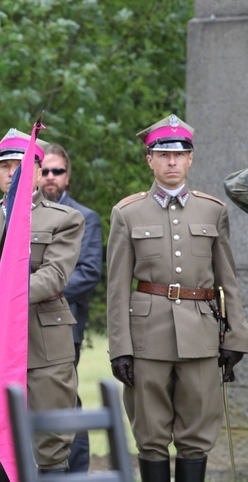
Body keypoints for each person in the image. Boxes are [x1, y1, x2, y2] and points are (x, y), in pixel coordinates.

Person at [107, 114, 248, 482]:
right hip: (146, 339)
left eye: (179, 154)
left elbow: (227, 280)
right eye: (163, 154)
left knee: (197, 437)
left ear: (190, 159)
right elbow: (117, 288)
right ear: (149, 159)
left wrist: (235, 336)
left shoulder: (212, 210)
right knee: (151, 437)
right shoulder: (127, 212)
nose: (172, 162)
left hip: (201, 338)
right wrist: (120, 347)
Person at [0, 128, 84, 479]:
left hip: (43, 345)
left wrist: (1, 301)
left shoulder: (65, 219)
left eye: (20, 165)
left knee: (50, 441)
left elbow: (54, 276)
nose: (12, 173)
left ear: (39, 172)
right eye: (5, 166)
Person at [39, 143, 103, 473]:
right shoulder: (23, 215)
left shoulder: (85, 217)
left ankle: (75, 475)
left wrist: (41, 292)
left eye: (57, 171)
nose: (50, 177)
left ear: (68, 175)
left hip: (65, 325)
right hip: (23, 325)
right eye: (44, 170)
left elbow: (89, 272)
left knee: (66, 405)